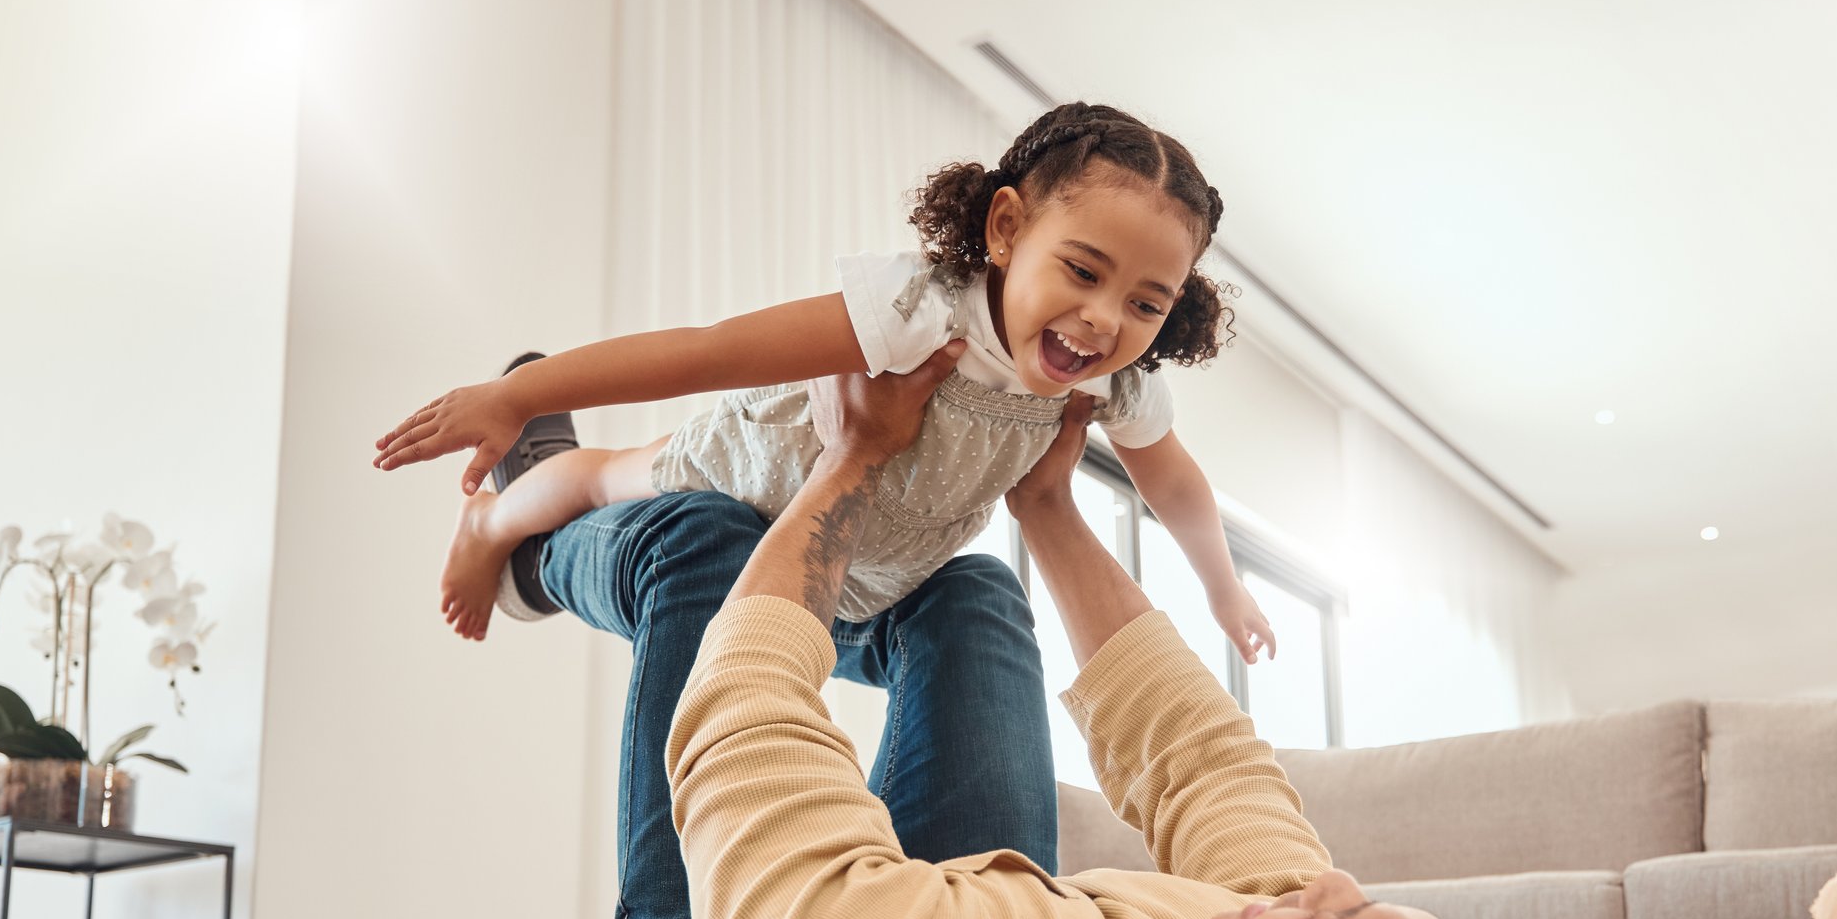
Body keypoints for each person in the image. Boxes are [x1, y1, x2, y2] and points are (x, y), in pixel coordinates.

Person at [574, 349, 1553, 919]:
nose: (1326, 887)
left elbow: (740, 715)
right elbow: (1205, 764)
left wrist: (853, 457)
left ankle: (528, 542)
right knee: (973, 597)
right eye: (1358, 905)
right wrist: (1048, 502)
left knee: (703, 546)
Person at [370, 102, 1276, 667]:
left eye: (1146, 303)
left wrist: (1222, 587)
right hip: (755, 474)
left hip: (861, 560)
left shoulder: (1113, 386)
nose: (1106, 320)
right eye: (1082, 271)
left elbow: (1176, 485)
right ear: (1006, 228)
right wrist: (518, 398)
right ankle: (495, 519)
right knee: (609, 475)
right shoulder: (922, 308)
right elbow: (710, 350)